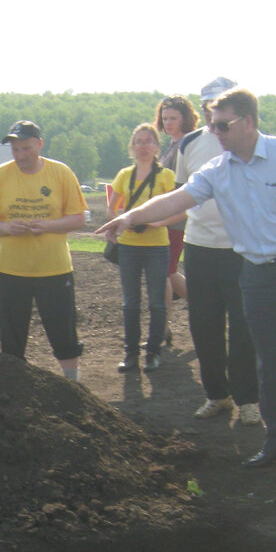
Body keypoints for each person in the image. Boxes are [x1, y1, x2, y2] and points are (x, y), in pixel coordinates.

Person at [96, 88, 276, 472]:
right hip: (254, 274)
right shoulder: (218, 171)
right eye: (213, 125)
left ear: (248, 122)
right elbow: (177, 199)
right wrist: (130, 217)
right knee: (269, 362)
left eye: (222, 125)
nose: (214, 132)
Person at [176, 77, 261, 426]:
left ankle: (249, 399)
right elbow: (181, 193)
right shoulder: (190, 143)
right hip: (199, 246)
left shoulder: (251, 141)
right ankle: (217, 395)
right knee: (204, 325)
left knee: (244, 327)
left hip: (241, 249)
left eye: (221, 114)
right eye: (210, 111)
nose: (216, 124)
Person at [0, 120, 87, 381]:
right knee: (12, 337)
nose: (20, 155)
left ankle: (72, 383)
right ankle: (15, 388)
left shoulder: (60, 173)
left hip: (54, 268)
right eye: (15, 150)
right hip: (12, 270)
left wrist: (48, 226)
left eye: (26, 148)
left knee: (63, 332)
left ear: (39, 145)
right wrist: (6, 228)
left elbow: (79, 218)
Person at [109, 123, 176, 373]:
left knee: (157, 303)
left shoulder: (166, 176)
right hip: (129, 246)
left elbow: (177, 210)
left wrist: (158, 222)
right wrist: (121, 224)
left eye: (149, 141)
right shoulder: (124, 175)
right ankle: (131, 354)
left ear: (157, 147)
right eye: (139, 141)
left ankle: (153, 352)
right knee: (130, 302)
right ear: (132, 147)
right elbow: (111, 207)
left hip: (157, 246)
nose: (144, 145)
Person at [155, 94, 198, 339]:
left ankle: (163, 328)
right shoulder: (173, 143)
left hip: (176, 218)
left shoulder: (186, 144)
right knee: (167, 270)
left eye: (173, 117)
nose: (168, 122)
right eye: (165, 117)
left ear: (186, 118)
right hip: (166, 215)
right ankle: (207, 306)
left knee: (165, 271)